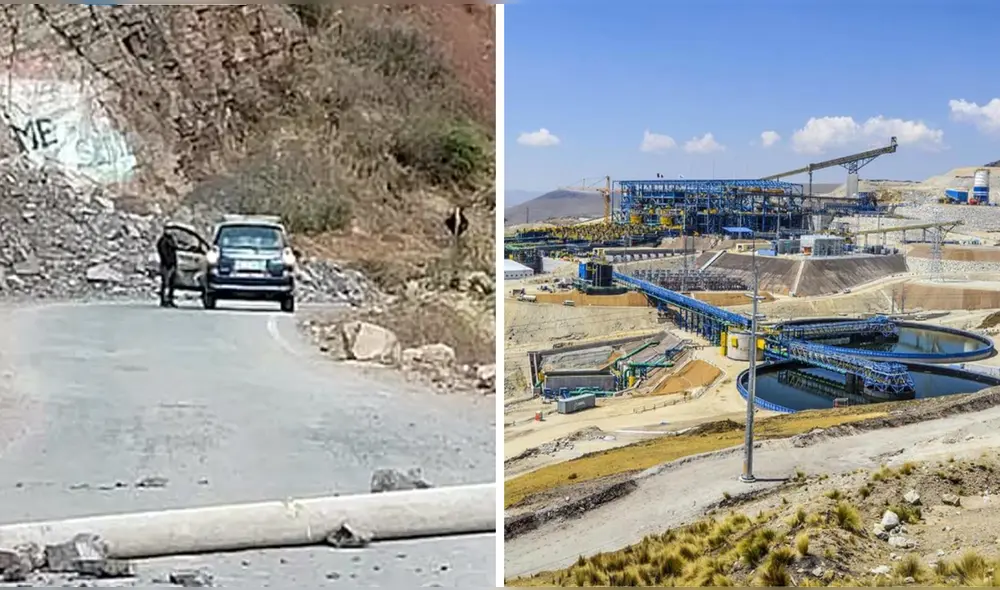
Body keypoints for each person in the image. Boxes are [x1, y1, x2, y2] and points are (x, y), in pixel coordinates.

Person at [156, 229, 178, 308]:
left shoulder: (171, 240)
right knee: (165, 283)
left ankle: (170, 299)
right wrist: (168, 263)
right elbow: (163, 253)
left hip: (172, 264)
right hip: (166, 265)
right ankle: (164, 300)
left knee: (172, 283)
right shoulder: (163, 241)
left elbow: (176, 248)